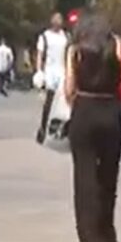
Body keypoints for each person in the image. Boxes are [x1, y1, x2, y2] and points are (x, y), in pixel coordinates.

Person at [64, 10, 121, 242]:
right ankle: (108, 234)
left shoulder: (76, 50)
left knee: (84, 176)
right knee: (108, 176)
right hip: (110, 111)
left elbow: (69, 87)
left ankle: (90, 240)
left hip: (84, 110)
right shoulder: (118, 46)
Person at [35, 12, 70, 144]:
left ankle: (61, 130)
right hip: (50, 70)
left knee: (64, 102)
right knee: (48, 102)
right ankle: (43, 128)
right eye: (56, 19)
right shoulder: (44, 36)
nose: (58, 21)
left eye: (60, 19)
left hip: (62, 70)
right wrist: (39, 71)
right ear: (51, 21)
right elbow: (40, 54)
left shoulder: (65, 36)